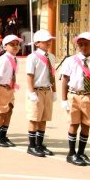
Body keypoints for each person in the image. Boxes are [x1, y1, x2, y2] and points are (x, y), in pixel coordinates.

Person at [60, 32, 90, 166]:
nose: (83, 47)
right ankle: (71, 153)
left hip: (88, 95)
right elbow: (65, 80)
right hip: (74, 95)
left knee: (86, 124)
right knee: (74, 124)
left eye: (86, 44)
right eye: (80, 44)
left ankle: (81, 152)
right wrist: (63, 99)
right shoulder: (70, 60)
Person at [25, 29, 57, 157]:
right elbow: (30, 76)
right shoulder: (32, 57)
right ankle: (31, 145)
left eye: (49, 40)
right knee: (34, 118)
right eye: (45, 41)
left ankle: (39, 144)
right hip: (36, 91)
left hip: (47, 90)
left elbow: (52, 75)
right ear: (37, 43)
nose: (48, 42)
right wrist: (31, 92)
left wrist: (54, 91)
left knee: (44, 118)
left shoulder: (52, 57)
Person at [0, 34, 22, 148]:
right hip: (0, 87)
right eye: (12, 44)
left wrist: (12, 85)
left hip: (8, 88)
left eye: (17, 44)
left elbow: (13, 74)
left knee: (9, 110)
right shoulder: (3, 60)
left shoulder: (15, 59)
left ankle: (3, 135)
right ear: (5, 46)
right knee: (1, 112)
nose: (16, 47)